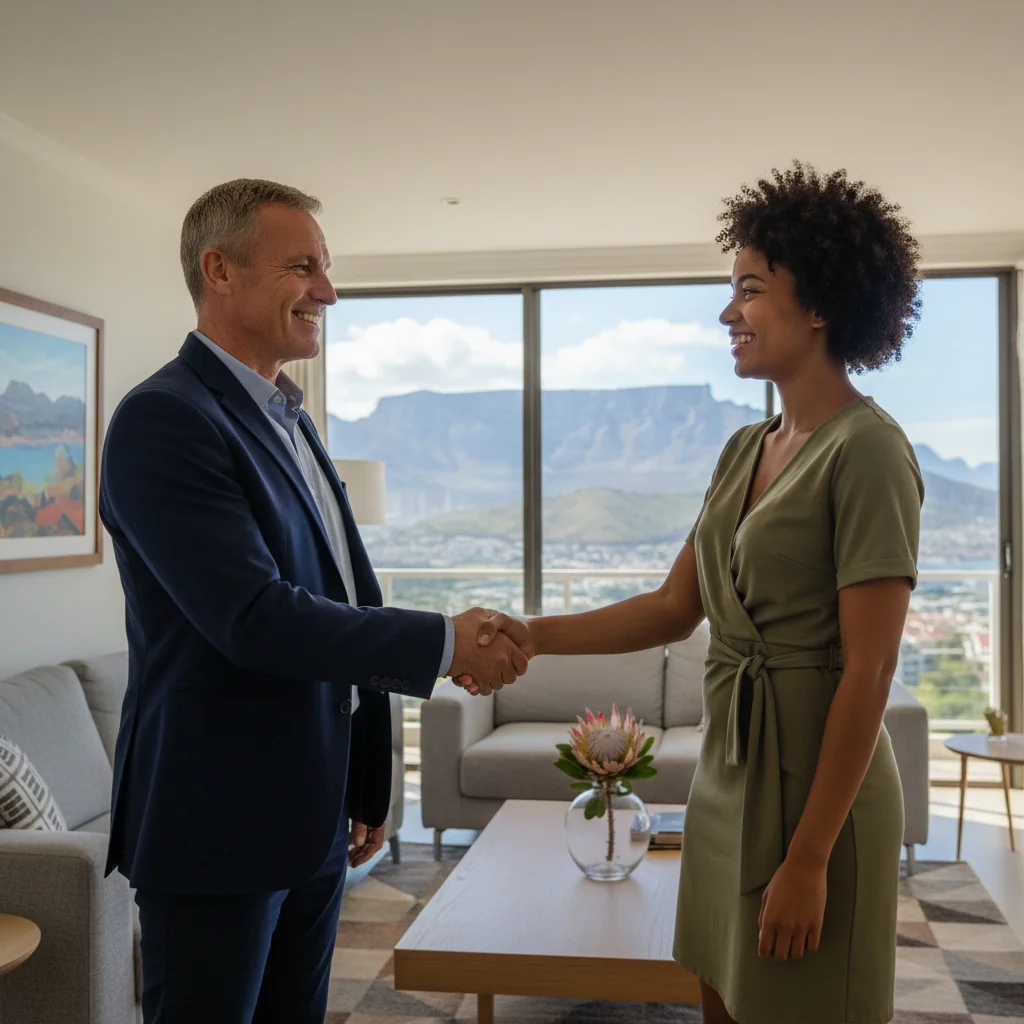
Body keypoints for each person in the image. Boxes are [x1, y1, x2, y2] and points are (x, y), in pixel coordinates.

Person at [466, 163, 923, 1024]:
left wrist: (812, 858)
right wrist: (526, 634)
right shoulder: (744, 448)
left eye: (749, 290)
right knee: (719, 999)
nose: (727, 314)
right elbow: (674, 608)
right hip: (728, 776)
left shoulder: (868, 451)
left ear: (819, 304)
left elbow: (870, 670)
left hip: (815, 797)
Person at [99, 178, 531, 1024]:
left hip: (310, 818)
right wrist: (445, 641)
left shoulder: (289, 419)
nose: (328, 291)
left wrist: (367, 778)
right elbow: (256, 618)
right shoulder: (165, 419)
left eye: (326, 268)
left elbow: (336, 593)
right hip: (216, 825)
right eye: (302, 267)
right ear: (217, 271)